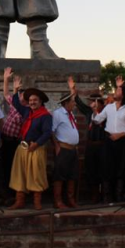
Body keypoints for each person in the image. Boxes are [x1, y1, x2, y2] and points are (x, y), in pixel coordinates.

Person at [92, 76, 125, 202]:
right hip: (108, 141)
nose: (115, 92)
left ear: (123, 95)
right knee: (107, 167)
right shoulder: (109, 107)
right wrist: (95, 111)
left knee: (121, 168)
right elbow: (98, 120)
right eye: (116, 90)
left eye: (118, 91)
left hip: (121, 141)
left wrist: (121, 134)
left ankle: (119, 196)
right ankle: (107, 196)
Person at [8, 85, 53, 210]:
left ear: (40, 102)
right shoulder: (27, 111)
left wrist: (37, 144)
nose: (32, 102)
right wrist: (16, 89)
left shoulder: (46, 116)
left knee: (36, 175)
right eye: (31, 100)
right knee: (20, 174)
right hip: (23, 147)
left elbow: (47, 133)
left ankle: (37, 202)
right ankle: (19, 201)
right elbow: (16, 102)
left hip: (36, 148)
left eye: (35, 100)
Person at [51, 77, 81, 209]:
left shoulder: (70, 114)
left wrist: (72, 88)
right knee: (60, 175)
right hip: (63, 149)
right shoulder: (58, 114)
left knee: (72, 175)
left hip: (72, 150)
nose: (74, 104)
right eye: (72, 102)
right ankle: (58, 201)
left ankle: (70, 199)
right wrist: (57, 146)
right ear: (66, 103)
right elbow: (52, 131)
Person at [75, 89, 107, 204]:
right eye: (90, 102)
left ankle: (104, 194)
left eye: (93, 102)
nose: (91, 104)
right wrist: (74, 90)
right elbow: (79, 103)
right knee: (91, 170)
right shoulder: (89, 112)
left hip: (102, 146)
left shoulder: (106, 113)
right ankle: (94, 195)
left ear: (99, 103)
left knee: (103, 170)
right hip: (90, 146)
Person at [0, 67, 24, 202]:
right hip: (5, 139)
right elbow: (5, 94)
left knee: (11, 168)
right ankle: (4, 195)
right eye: (20, 94)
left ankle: (12, 195)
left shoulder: (25, 111)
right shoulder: (15, 104)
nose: (20, 97)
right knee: (3, 167)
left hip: (14, 142)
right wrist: (6, 79)